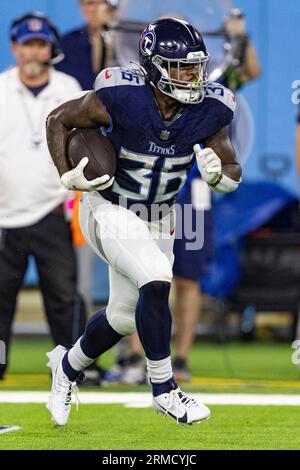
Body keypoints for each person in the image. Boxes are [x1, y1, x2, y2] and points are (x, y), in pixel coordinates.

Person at [46, 18, 242, 426]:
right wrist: (67, 173)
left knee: (121, 316)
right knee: (156, 277)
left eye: (197, 66)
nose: (193, 75)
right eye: (182, 66)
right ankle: (164, 389)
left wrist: (219, 176)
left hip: (160, 215)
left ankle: (66, 368)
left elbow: (231, 167)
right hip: (109, 207)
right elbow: (58, 120)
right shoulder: (121, 95)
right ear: (154, 66)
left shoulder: (211, 107)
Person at [172, 7, 261, 382]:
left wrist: (241, 36)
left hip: (191, 190)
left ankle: (181, 357)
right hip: (149, 188)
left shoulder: (214, 84)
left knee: (187, 276)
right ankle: (137, 357)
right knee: (143, 275)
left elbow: (250, 71)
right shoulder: (142, 81)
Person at [0, 12, 86, 379]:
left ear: (50, 48)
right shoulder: (1, 89)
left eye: (40, 44)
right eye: (27, 44)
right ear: (14, 48)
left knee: (64, 298)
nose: (33, 52)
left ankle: (75, 370)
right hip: (4, 215)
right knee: (0, 302)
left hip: (54, 210)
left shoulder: (69, 88)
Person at [56, 0, 120, 90]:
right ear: (81, 7)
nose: (97, 9)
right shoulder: (67, 44)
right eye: (90, 3)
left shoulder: (129, 42)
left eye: (103, 2)